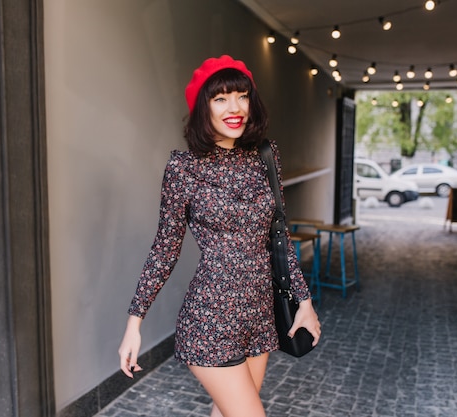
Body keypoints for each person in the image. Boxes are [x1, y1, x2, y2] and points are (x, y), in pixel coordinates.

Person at [118, 55, 321, 417]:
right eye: (221, 98)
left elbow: (279, 234)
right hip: (211, 318)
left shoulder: (265, 156)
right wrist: (135, 323)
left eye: (242, 96)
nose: (235, 107)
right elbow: (165, 249)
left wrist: (303, 301)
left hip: (259, 315)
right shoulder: (184, 168)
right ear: (203, 108)